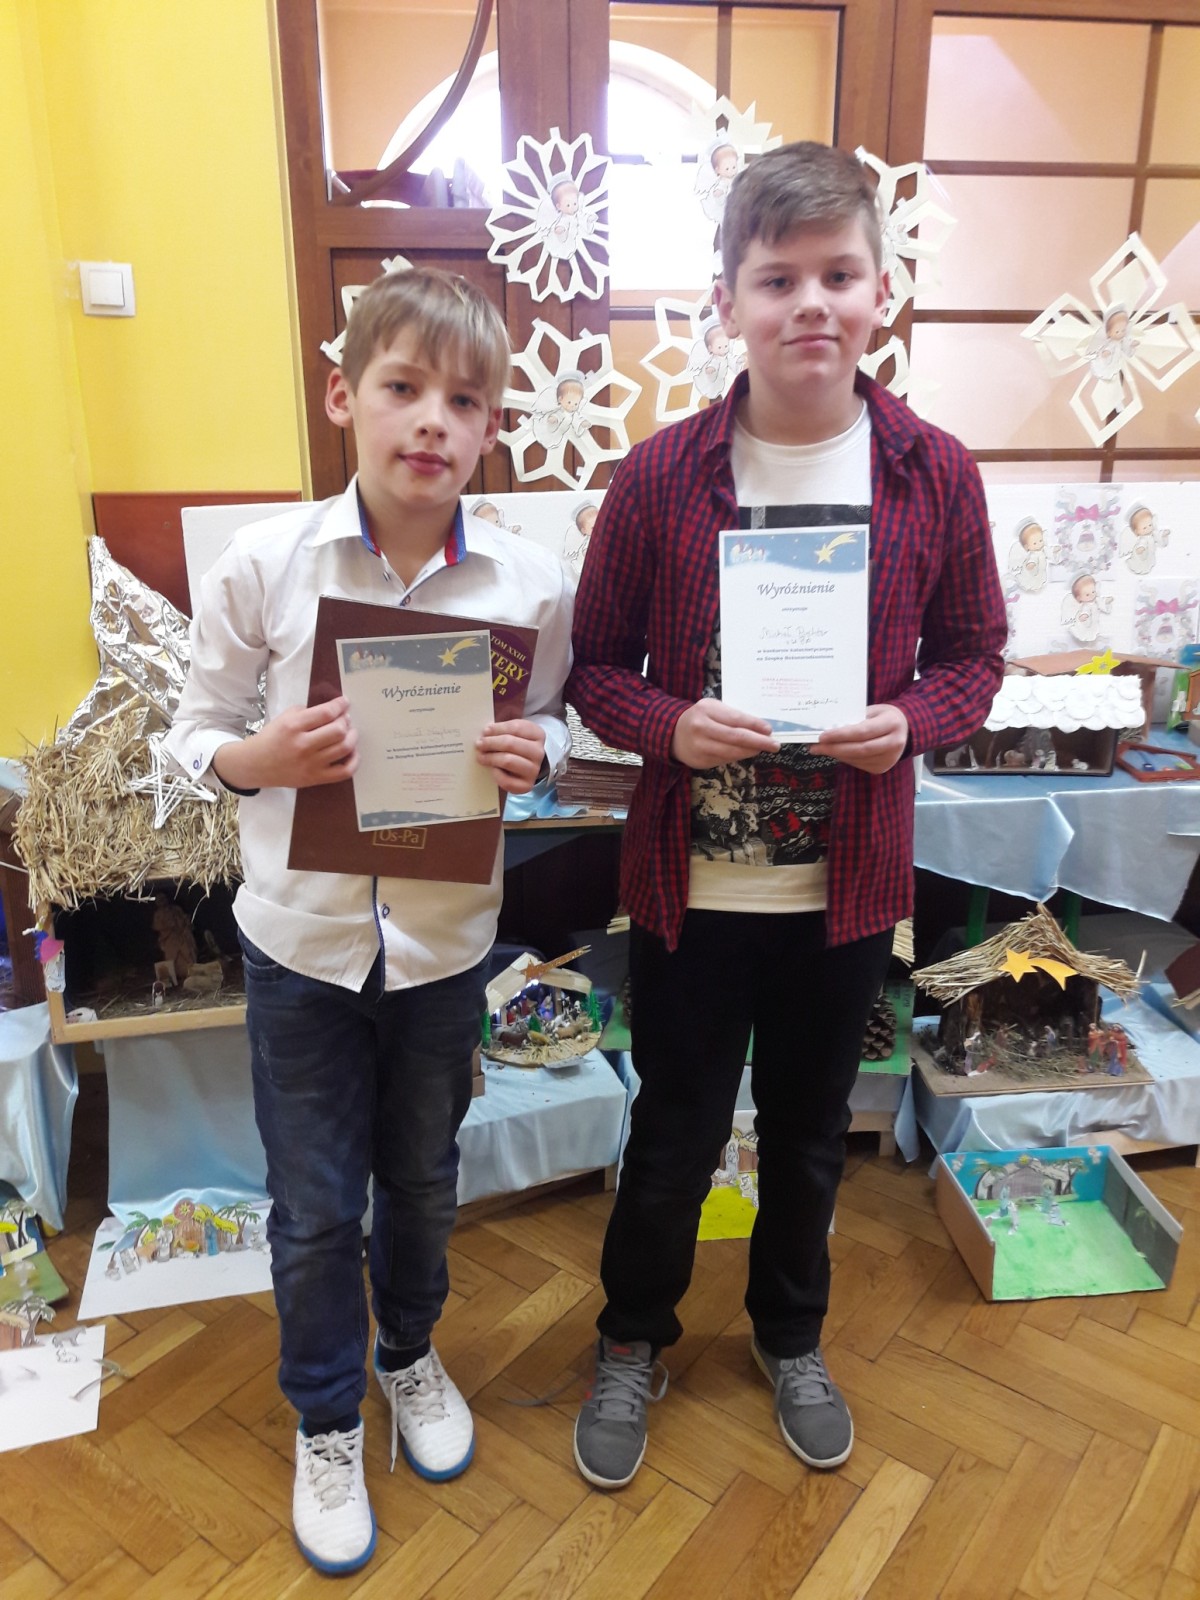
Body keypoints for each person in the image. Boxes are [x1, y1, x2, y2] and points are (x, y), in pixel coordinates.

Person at [566, 142, 1005, 1490]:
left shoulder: (934, 473)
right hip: (694, 888)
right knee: (673, 1134)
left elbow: (976, 658)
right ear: (729, 302)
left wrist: (911, 722)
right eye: (778, 279)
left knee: (813, 1137)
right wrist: (669, 726)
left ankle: (790, 1335)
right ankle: (632, 1336)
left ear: (881, 292)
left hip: (845, 888)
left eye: (838, 274)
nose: (811, 302)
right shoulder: (659, 476)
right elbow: (594, 671)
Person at [166, 267, 573, 1574]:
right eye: (403, 387)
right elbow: (191, 734)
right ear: (344, 396)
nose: (433, 422)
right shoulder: (266, 567)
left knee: (426, 1181)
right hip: (303, 946)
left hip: (445, 947)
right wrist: (259, 759)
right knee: (311, 1208)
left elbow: (552, 722)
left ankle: (408, 1352)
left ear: (492, 424)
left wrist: (544, 757)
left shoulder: (527, 582)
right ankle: (327, 1420)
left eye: (465, 400)